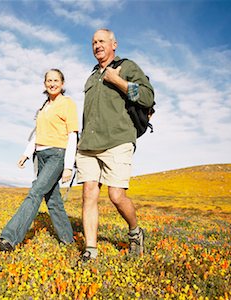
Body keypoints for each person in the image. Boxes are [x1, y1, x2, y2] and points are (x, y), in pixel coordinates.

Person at [76, 29, 154, 260]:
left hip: (118, 140)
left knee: (117, 196)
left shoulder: (127, 66)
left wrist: (117, 80)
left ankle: (135, 233)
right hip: (89, 144)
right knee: (89, 193)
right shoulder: (91, 77)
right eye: (93, 42)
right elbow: (87, 114)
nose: (97, 45)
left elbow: (147, 97)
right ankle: (90, 250)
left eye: (102, 41)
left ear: (114, 44)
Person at [0, 69, 79, 251]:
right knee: (53, 201)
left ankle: (9, 238)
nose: (52, 83)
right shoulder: (44, 107)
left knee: (35, 193)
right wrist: (26, 153)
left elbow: (72, 135)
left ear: (62, 84)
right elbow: (38, 133)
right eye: (49, 80)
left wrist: (68, 167)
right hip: (39, 155)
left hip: (57, 155)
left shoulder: (67, 103)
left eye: (56, 80)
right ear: (45, 84)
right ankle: (68, 240)